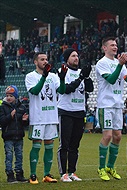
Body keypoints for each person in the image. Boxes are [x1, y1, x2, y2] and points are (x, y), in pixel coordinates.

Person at [25, 52, 67, 184]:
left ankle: (47, 174)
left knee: (49, 146)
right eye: (42, 59)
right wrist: (43, 77)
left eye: (46, 59)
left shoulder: (53, 76)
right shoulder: (30, 76)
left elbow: (62, 91)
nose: (45, 61)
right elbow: (35, 91)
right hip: (38, 117)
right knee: (36, 145)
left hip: (51, 117)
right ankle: (33, 174)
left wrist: (62, 79)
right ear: (35, 62)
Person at [96, 37, 127, 181]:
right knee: (108, 136)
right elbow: (111, 79)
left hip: (118, 105)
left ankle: (110, 167)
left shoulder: (120, 64)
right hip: (106, 104)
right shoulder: (102, 63)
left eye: (116, 45)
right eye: (112, 45)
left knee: (118, 136)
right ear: (104, 48)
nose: (115, 47)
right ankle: (101, 168)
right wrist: (120, 65)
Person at [57, 48, 94, 182]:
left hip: (79, 111)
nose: (76, 58)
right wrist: (80, 78)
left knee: (75, 145)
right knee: (64, 144)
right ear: (67, 59)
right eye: (73, 56)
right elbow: (66, 90)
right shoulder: (62, 72)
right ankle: (63, 173)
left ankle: (72, 171)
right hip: (66, 111)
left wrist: (87, 76)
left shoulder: (81, 73)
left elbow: (90, 89)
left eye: (77, 56)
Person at [0, 85, 29, 183]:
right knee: (9, 155)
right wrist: (10, 116)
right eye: (7, 95)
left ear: (15, 96)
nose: (8, 97)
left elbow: (25, 124)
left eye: (11, 96)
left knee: (19, 155)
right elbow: (2, 121)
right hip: (8, 136)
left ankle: (19, 174)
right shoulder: (3, 107)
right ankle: (10, 174)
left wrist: (25, 121)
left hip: (19, 135)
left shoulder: (22, 107)